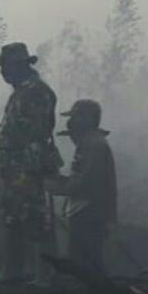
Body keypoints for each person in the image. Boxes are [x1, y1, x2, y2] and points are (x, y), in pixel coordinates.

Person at [0, 42, 63, 285]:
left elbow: (36, 135)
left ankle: (44, 274)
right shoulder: (20, 93)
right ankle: (12, 270)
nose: (2, 72)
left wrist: (29, 173)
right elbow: (7, 137)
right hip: (12, 169)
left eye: (5, 66)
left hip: (26, 170)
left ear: (19, 65)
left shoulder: (37, 93)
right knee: (10, 219)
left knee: (34, 220)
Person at [46, 100, 117, 276]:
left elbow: (84, 183)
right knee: (84, 259)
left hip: (90, 212)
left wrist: (54, 186)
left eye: (75, 118)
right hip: (85, 211)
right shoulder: (90, 144)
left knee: (86, 261)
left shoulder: (94, 146)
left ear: (88, 120)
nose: (71, 129)